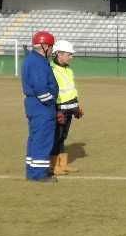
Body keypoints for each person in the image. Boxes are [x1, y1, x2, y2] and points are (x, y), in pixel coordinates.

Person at [21, 31, 58, 182]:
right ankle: (38, 174)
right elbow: (40, 87)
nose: (51, 50)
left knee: (35, 138)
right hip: (41, 106)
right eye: (50, 47)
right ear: (44, 46)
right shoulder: (37, 62)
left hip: (35, 105)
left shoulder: (33, 60)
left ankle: (32, 171)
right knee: (42, 139)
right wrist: (51, 103)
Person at [50, 40, 83, 174]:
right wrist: (56, 110)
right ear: (59, 54)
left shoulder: (68, 70)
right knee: (56, 137)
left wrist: (76, 107)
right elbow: (52, 92)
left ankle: (63, 165)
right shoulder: (51, 70)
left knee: (63, 137)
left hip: (70, 108)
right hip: (59, 109)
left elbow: (70, 90)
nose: (71, 57)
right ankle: (53, 166)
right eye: (69, 54)